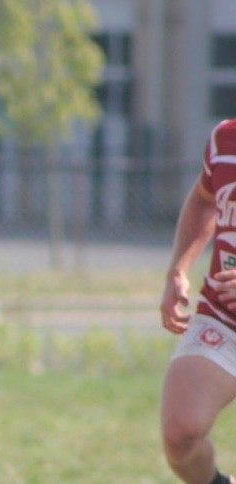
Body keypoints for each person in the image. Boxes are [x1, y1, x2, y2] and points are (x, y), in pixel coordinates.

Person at [160, 118, 236, 484]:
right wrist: (179, 268)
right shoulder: (226, 138)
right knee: (181, 434)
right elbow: (206, 200)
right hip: (225, 315)